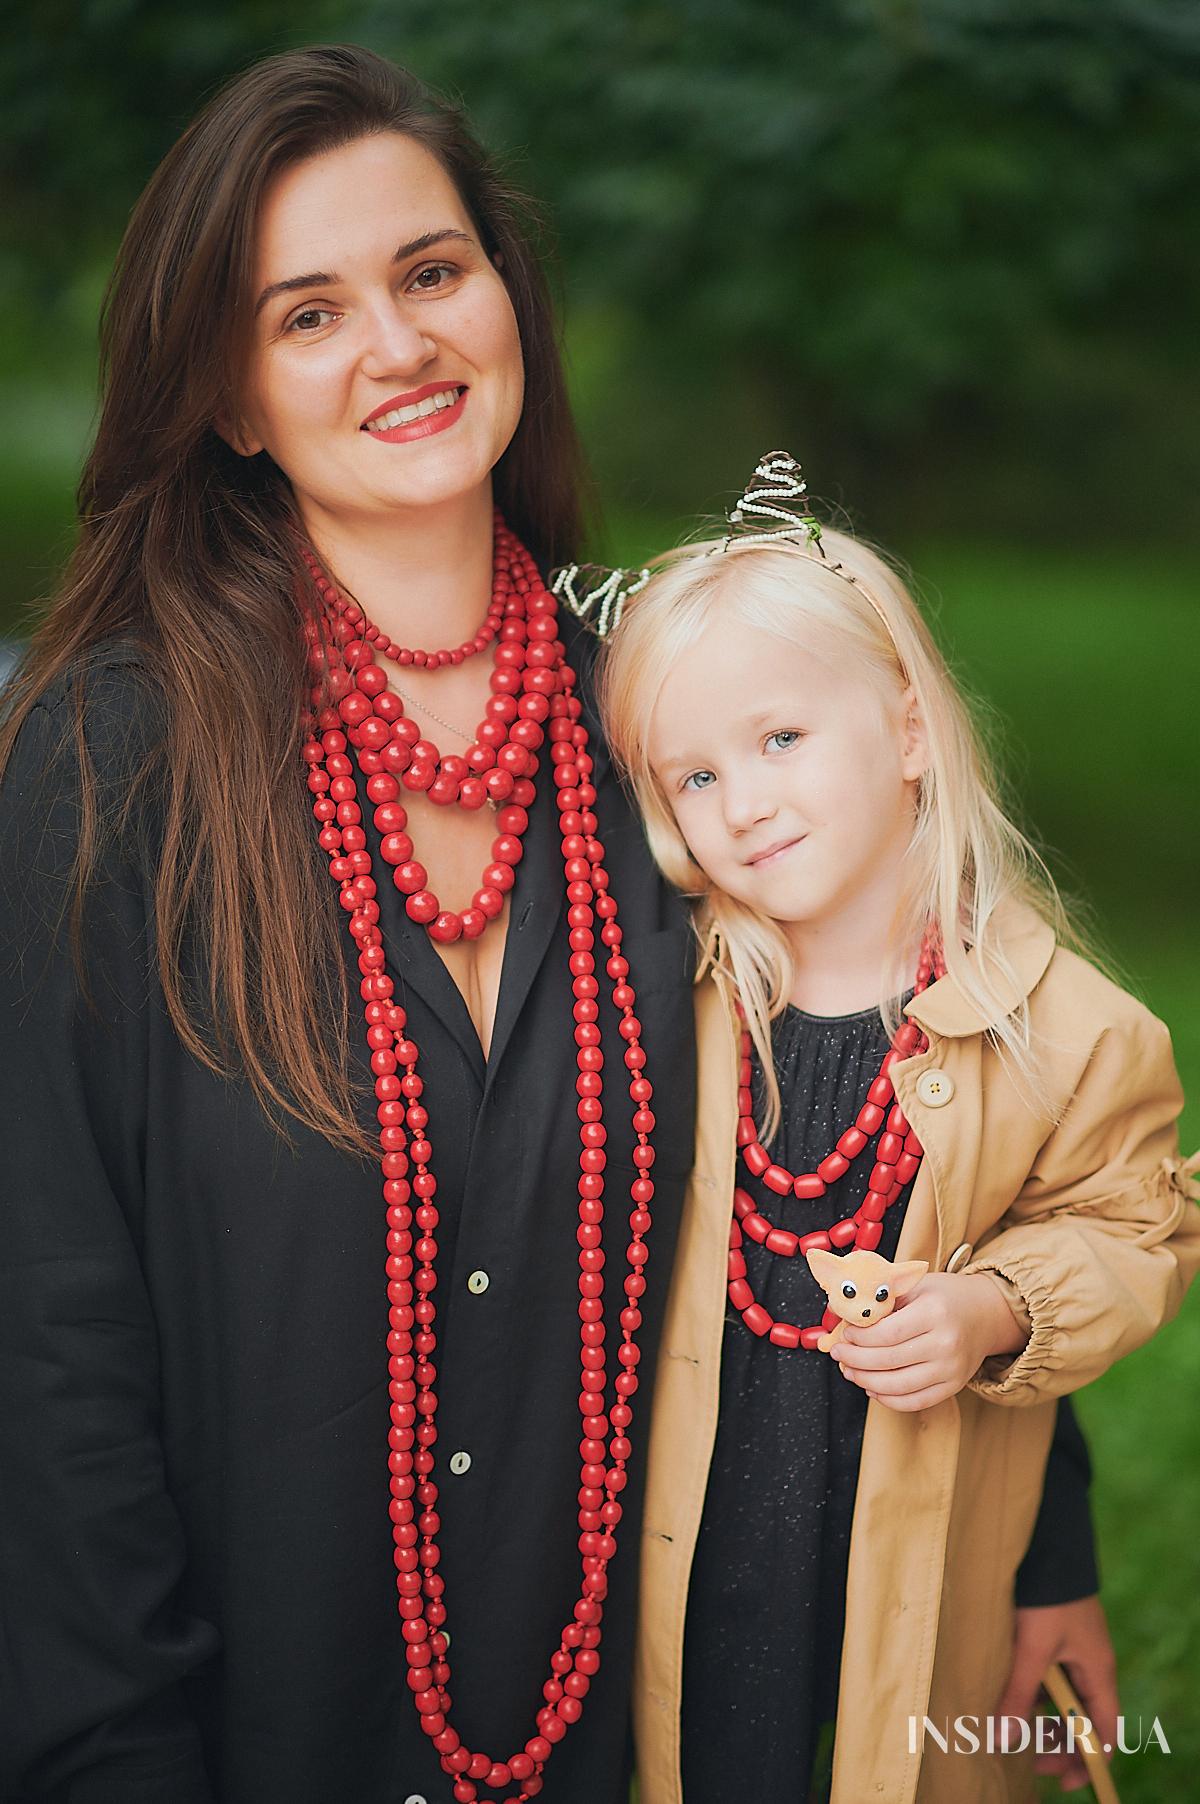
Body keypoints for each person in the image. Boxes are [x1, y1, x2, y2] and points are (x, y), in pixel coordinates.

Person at [0, 49, 1109, 1804]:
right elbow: (49, 1322)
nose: (399, 345)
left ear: (506, 293)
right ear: (225, 397)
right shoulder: (115, 760)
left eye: (433, 273)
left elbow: (919, 1095)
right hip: (251, 1717)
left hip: (635, 1716)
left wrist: (1045, 1541)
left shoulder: (665, 731)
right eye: (308, 314)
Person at [598, 455, 1200, 1803]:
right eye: (691, 775)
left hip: (921, 1559)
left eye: (781, 741)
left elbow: (1127, 1228)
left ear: (912, 730)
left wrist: (995, 1306)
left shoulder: (1062, 1029)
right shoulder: (667, 1000)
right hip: (694, 1545)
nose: (740, 801)